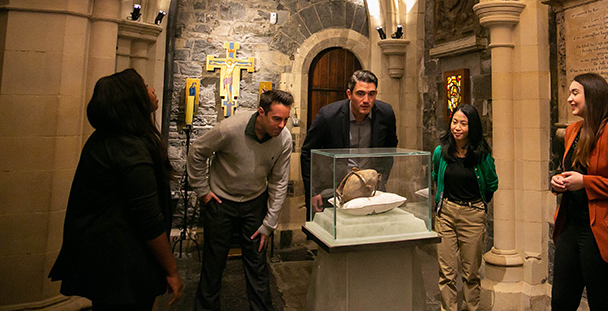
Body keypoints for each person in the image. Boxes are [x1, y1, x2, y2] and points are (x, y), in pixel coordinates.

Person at [49, 69, 183, 310]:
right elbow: (148, 217)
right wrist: (171, 269)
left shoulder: (108, 139)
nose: (152, 90)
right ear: (132, 100)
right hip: (122, 264)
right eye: (144, 87)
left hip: (111, 260)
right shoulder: (129, 148)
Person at [188, 89, 294, 311]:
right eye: (277, 119)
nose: (282, 125)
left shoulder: (284, 139)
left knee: (257, 265)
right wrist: (203, 191)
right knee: (213, 264)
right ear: (261, 112)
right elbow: (197, 152)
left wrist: (269, 224)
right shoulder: (230, 128)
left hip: (254, 202)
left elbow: (279, 182)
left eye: (286, 119)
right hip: (220, 201)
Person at [550, 73, 608, 311]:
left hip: (602, 232)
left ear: (592, 95)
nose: (569, 99)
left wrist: (586, 183)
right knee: (561, 301)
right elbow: (574, 171)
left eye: (575, 93)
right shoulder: (572, 131)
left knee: (602, 303)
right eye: (569, 93)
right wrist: (558, 182)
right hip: (571, 226)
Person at [301, 69, 398, 216]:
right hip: (334, 188)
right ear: (349, 94)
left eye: (371, 94)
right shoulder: (328, 116)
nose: (366, 100)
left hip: (370, 190)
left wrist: (381, 181)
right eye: (360, 94)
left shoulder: (386, 113)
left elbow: (390, 149)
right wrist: (312, 192)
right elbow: (307, 153)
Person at [432, 104, 498, 311]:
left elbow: (492, 184)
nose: (457, 127)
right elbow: (436, 176)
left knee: (470, 273)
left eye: (463, 123)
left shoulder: (482, 155)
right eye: (454, 122)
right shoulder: (440, 152)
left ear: (473, 127)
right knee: (447, 273)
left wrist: (477, 205)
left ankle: (471, 308)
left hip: (472, 215)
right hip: (446, 214)